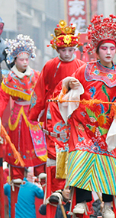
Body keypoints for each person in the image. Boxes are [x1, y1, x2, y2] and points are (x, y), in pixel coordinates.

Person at [56, 14, 116, 218]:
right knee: (83, 157)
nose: (108, 52)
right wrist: (71, 86)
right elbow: (65, 88)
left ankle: (108, 204)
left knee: (110, 161)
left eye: (112, 48)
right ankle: (82, 201)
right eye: (104, 48)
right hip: (86, 125)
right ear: (97, 50)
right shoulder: (85, 69)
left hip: (107, 127)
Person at [28, 20, 85, 198]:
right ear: (57, 50)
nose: (67, 54)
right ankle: (57, 187)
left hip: (76, 113)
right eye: (63, 50)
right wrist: (34, 115)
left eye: (70, 50)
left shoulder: (82, 67)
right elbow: (39, 91)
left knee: (75, 148)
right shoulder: (50, 66)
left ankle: (74, 186)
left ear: (75, 49)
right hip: (54, 113)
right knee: (55, 149)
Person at [0, 34, 46, 184]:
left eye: (27, 59)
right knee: (17, 144)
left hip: (33, 114)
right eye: (22, 59)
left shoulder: (36, 76)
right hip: (18, 116)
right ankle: (16, 173)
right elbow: (1, 98)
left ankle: (41, 171)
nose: (25, 62)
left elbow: (44, 93)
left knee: (38, 142)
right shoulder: (10, 78)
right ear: (15, 59)